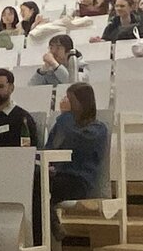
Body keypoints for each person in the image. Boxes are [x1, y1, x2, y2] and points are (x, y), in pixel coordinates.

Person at [46, 82, 110, 211]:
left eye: (70, 99)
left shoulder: (97, 129)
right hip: (57, 176)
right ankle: (47, 227)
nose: (64, 101)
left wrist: (66, 115)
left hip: (78, 181)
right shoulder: (62, 125)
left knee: (40, 188)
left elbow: (75, 141)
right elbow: (49, 148)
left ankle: (49, 227)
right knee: (33, 182)